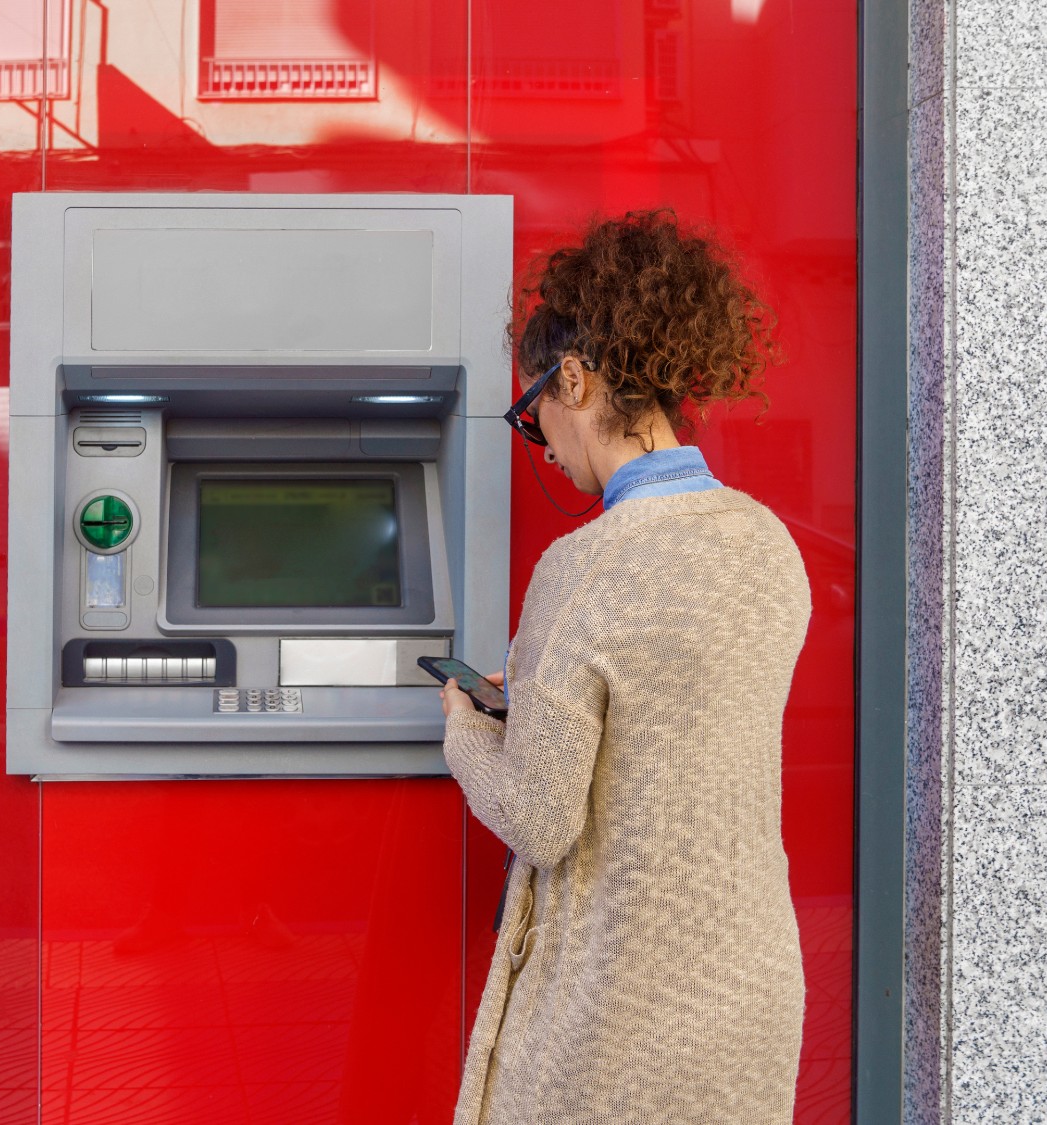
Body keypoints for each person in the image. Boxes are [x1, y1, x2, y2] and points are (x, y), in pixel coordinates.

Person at [440, 211, 810, 1124]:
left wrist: (465, 726)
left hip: (621, 1026)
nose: (544, 443)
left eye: (535, 416)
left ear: (572, 377)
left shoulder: (584, 565)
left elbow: (539, 813)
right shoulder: (768, 544)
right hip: (749, 1001)